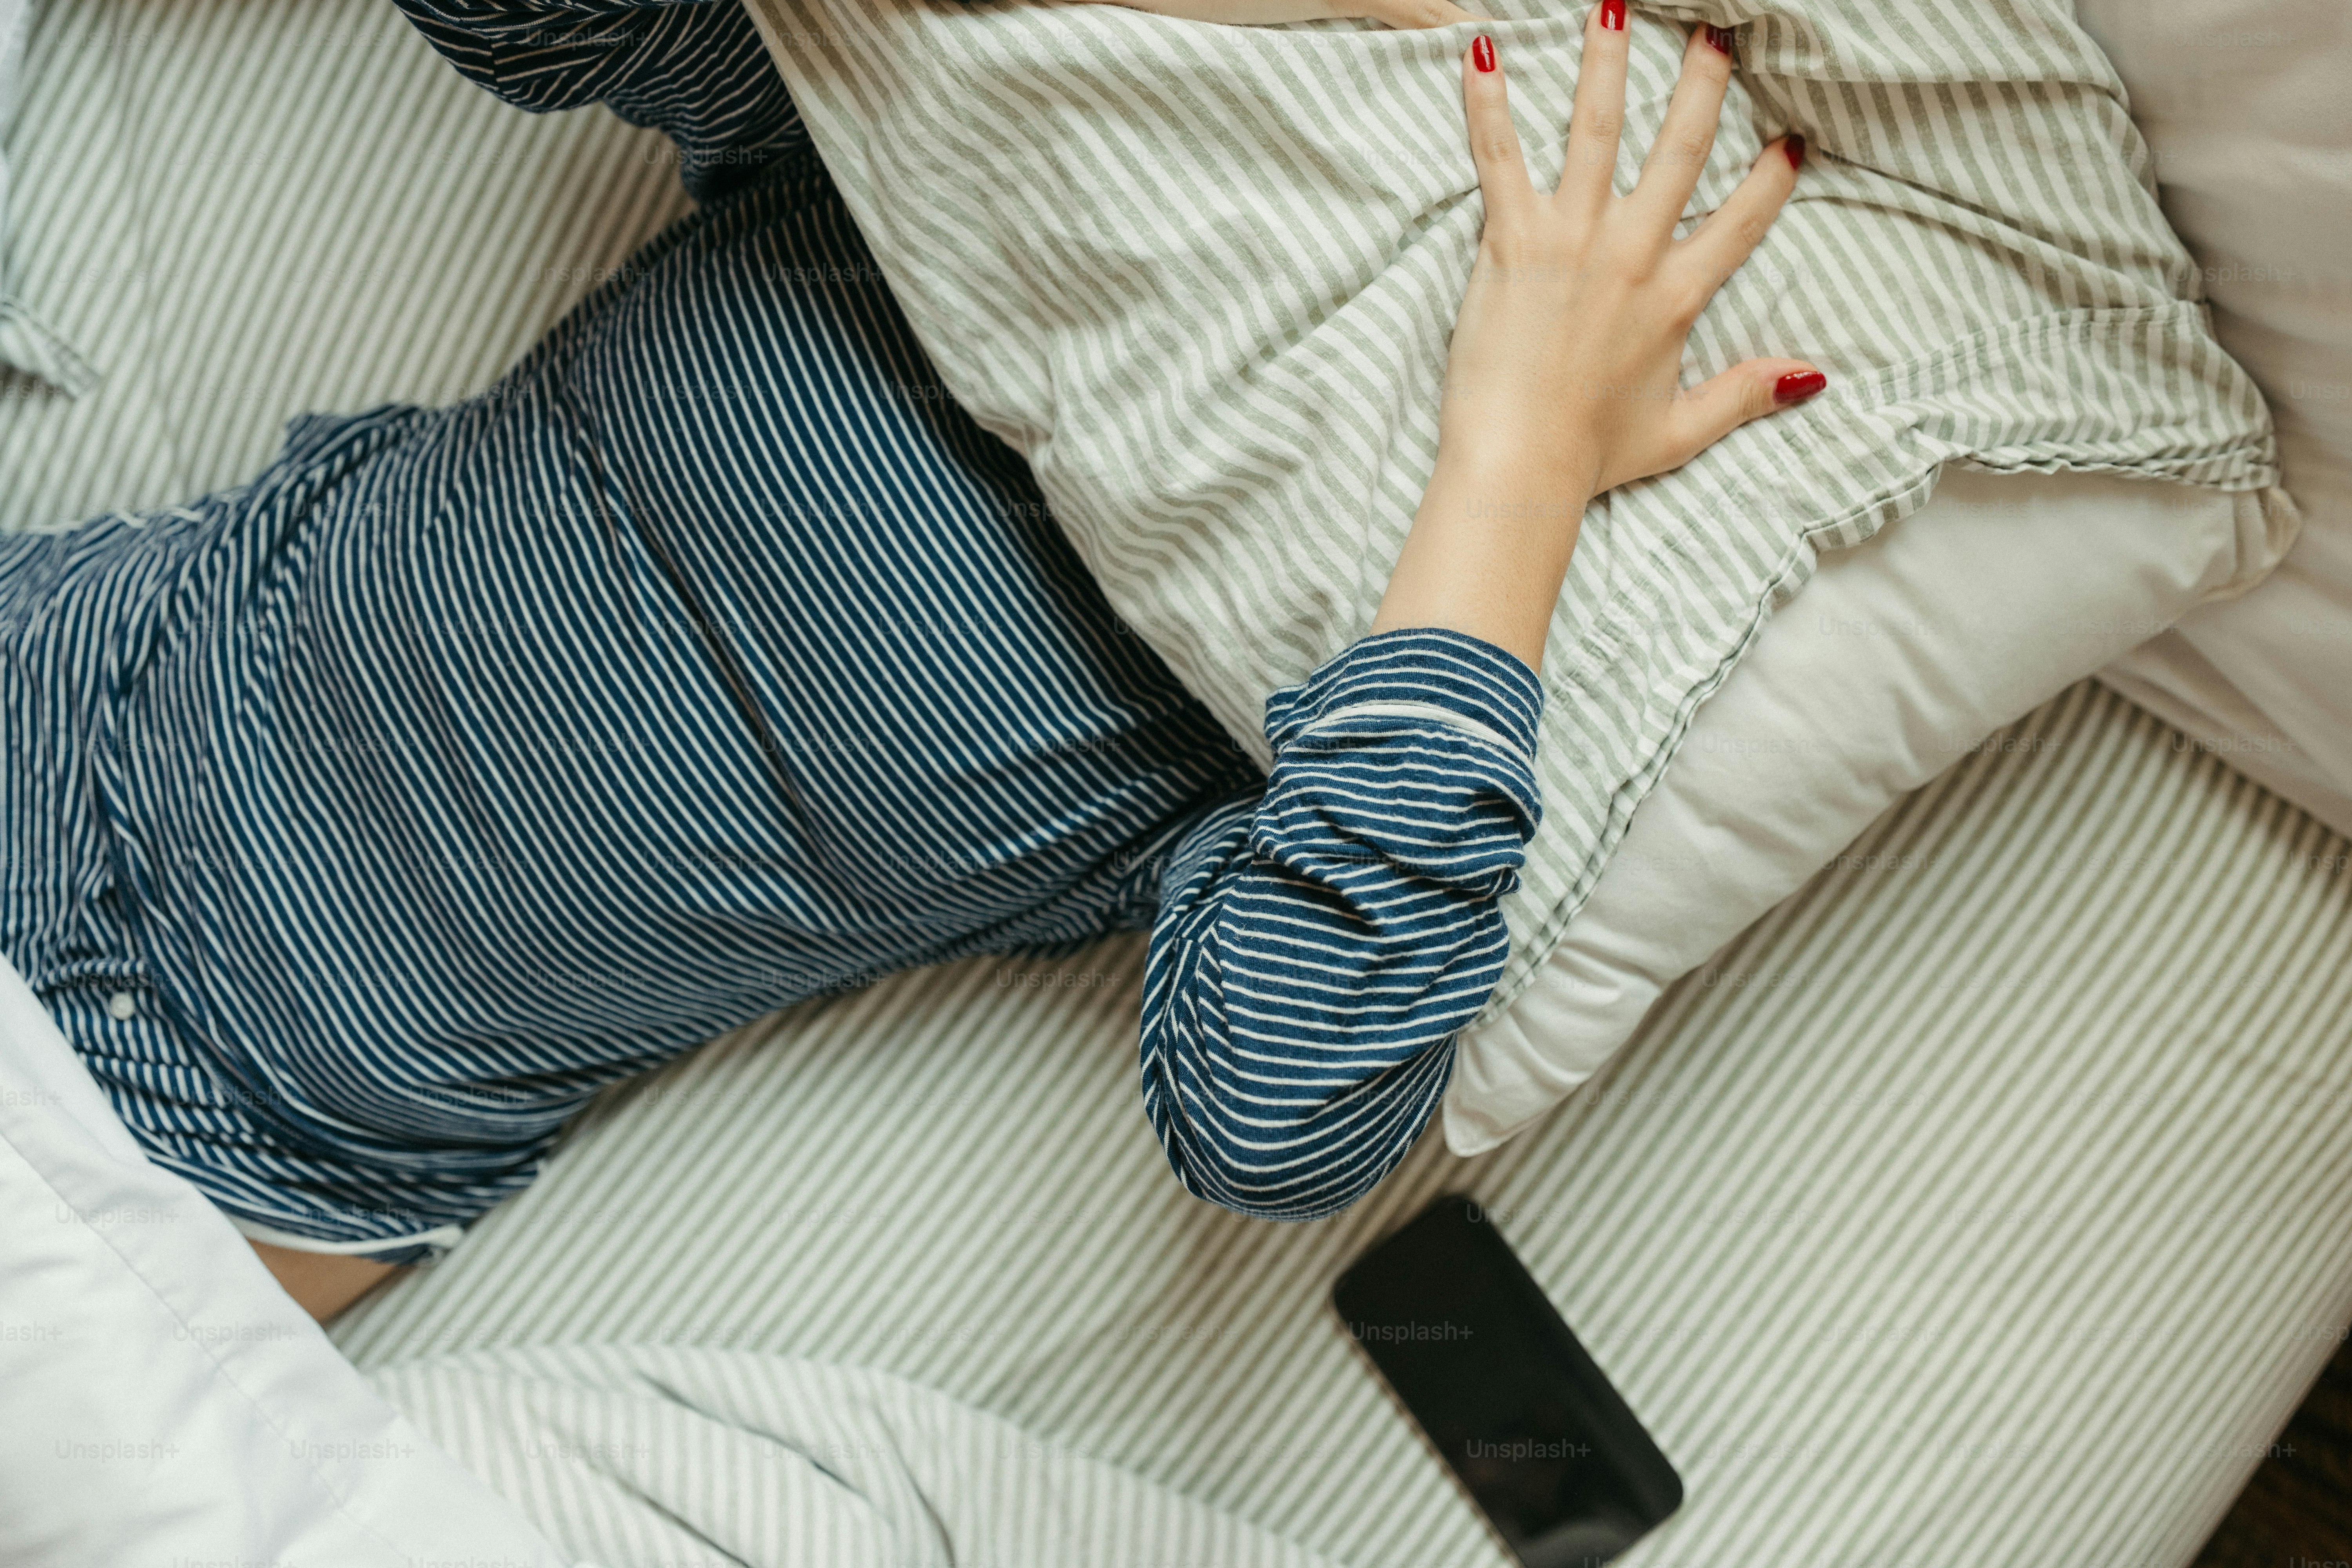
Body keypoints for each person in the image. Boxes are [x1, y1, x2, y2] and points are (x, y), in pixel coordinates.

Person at [0, 0, 1817, 1320]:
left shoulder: (1350, 649)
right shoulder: (961, 127)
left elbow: (1276, 1112)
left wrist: (1516, 471)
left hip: (259, 1131)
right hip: (74, 698)